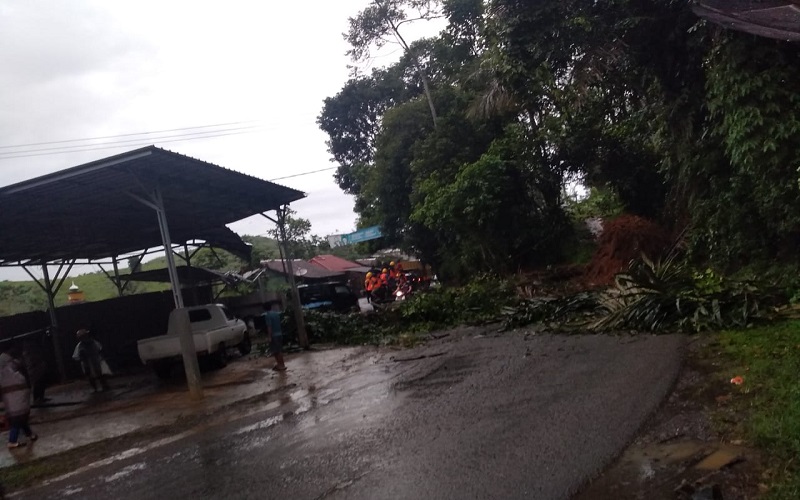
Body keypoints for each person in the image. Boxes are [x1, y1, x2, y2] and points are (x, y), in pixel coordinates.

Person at [0, 344, 37, 449]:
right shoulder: (8, 366)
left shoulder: (8, 365)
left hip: (15, 396)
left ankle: (29, 434)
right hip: (14, 397)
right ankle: (12, 441)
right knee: (17, 418)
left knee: (21, 416)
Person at [22, 337, 48, 404]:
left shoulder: (33, 351)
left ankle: (41, 397)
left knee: (41, 383)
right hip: (33, 370)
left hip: (38, 369)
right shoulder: (26, 353)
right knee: (37, 384)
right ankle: (36, 399)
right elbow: (30, 362)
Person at [262, 302, 286, 372]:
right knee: (279, 350)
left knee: (276, 351)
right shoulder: (276, 314)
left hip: (274, 335)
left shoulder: (267, 316)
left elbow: (269, 327)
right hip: (279, 334)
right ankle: (281, 364)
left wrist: (269, 336)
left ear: (264, 308)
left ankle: (280, 365)